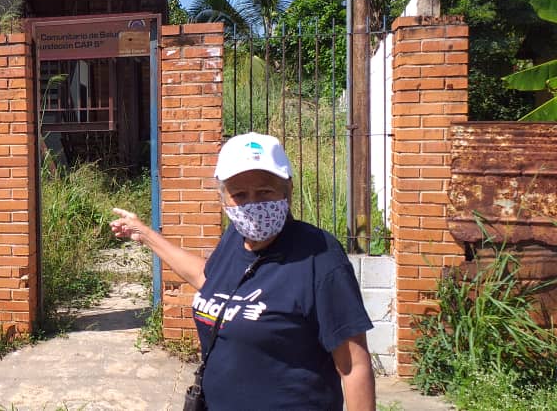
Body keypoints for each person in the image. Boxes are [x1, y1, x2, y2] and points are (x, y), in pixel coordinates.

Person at [110, 132, 376, 410]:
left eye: (265, 191)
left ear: (288, 190)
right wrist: (145, 234)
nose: (253, 204)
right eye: (239, 194)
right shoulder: (233, 239)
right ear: (223, 197)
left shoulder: (319, 257)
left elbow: (354, 367)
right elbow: (207, 280)